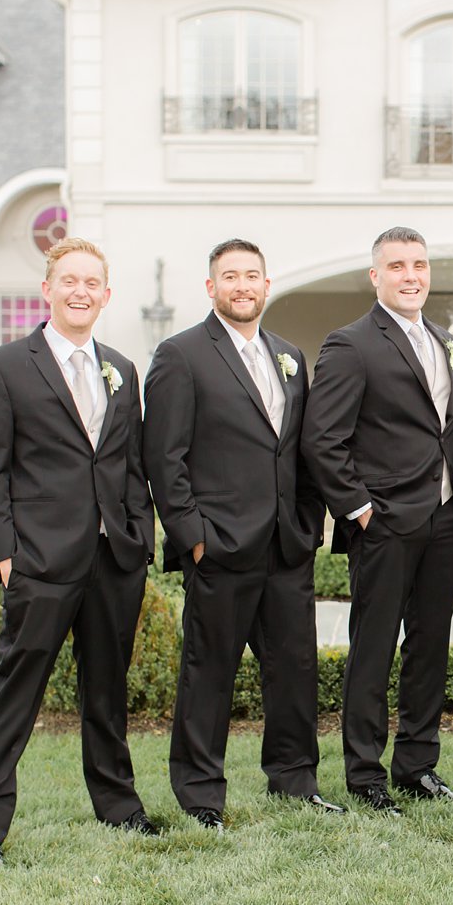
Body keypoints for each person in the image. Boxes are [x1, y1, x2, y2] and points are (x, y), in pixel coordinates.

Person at [0, 237, 155, 868]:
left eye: (92, 282)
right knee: (16, 691)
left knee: (107, 690)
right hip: (39, 560)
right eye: (68, 280)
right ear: (47, 290)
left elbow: (128, 464)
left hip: (112, 559)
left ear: (105, 294)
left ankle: (118, 806)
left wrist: (138, 539)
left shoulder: (121, 368)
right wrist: (4, 555)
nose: (80, 291)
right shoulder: (2, 368)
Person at [143, 238, 340, 829]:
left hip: (286, 545)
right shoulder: (179, 356)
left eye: (252, 275)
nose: (242, 285)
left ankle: (294, 780)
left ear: (266, 285)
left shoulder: (287, 355)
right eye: (230, 276)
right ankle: (201, 795)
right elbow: (164, 458)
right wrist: (193, 536)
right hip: (220, 546)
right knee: (210, 672)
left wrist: (308, 522)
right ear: (212, 288)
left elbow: (301, 449)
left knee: (295, 668)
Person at [302, 226, 453, 814]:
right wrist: (360, 508)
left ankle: (418, 766)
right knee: (373, 648)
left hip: (445, 519)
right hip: (384, 522)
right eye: (397, 265)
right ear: (376, 276)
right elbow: (323, 440)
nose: (411, 275)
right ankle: (365, 775)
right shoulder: (351, 344)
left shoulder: (448, 342)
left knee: (431, 646)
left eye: (419, 264)